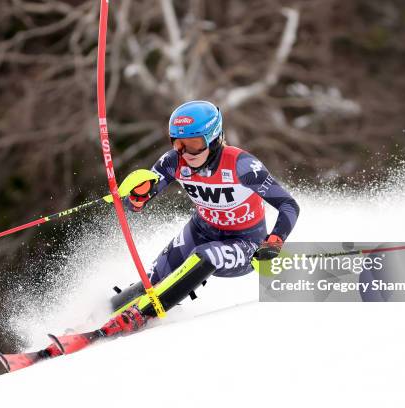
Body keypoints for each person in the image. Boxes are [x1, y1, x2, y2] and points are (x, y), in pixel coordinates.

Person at [99, 100, 300, 337]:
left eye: (193, 144)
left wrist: (273, 242)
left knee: (205, 255)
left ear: (213, 138)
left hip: (244, 243)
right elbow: (139, 201)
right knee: (152, 279)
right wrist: (134, 197)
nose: (184, 152)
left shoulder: (243, 166)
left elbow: (288, 204)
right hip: (200, 231)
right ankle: (98, 317)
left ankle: (141, 316)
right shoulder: (173, 161)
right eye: (177, 143)